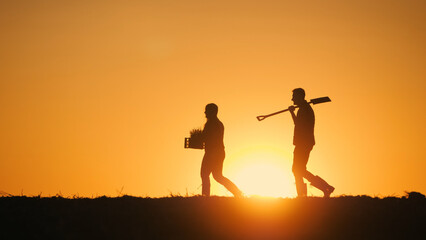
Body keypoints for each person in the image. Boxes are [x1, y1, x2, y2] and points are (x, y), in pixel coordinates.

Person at [288, 88, 335, 197]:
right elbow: (299, 124)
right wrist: (292, 113)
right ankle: (321, 188)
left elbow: (299, 125)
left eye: (294, 97)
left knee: (297, 169)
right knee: (298, 170)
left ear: (300, 97)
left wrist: (291, 113)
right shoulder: (304, 109)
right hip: (304, 143)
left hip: (303, 143)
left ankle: (308, 193)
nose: (292, 99)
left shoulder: (305, 109)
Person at [200, 103, 243, 197]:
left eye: (207, 110)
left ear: (212, 112)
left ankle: (205, 196)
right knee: (218, 176)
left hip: (213, 153)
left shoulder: (212, 124)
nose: (205, 112)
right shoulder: (218, 123)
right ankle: (237, 192)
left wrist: (199, 138)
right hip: (219, 152)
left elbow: (210, 138)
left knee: (204, 174)